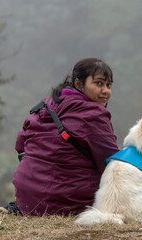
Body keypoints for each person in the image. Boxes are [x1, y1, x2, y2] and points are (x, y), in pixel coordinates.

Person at [11, 57, 119, 216]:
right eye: (98, 83)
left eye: (108, 85)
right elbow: (112, 164)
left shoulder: (46, 106)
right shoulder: (93, 115)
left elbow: (21, 144)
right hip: (66, 203)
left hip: (28, 201)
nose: (105, 91)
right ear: (79, 84)